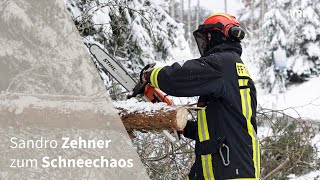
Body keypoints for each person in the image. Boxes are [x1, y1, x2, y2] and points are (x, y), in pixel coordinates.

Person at [142, 13, 260, 180]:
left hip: (229, 169)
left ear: (216, 36)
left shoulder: (223, 63)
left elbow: (178, 78)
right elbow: (220, 128)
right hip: (225, 167)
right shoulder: (232, 70)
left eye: (206, 38)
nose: (203, 43)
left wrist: (151, 75)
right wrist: (184, 127)